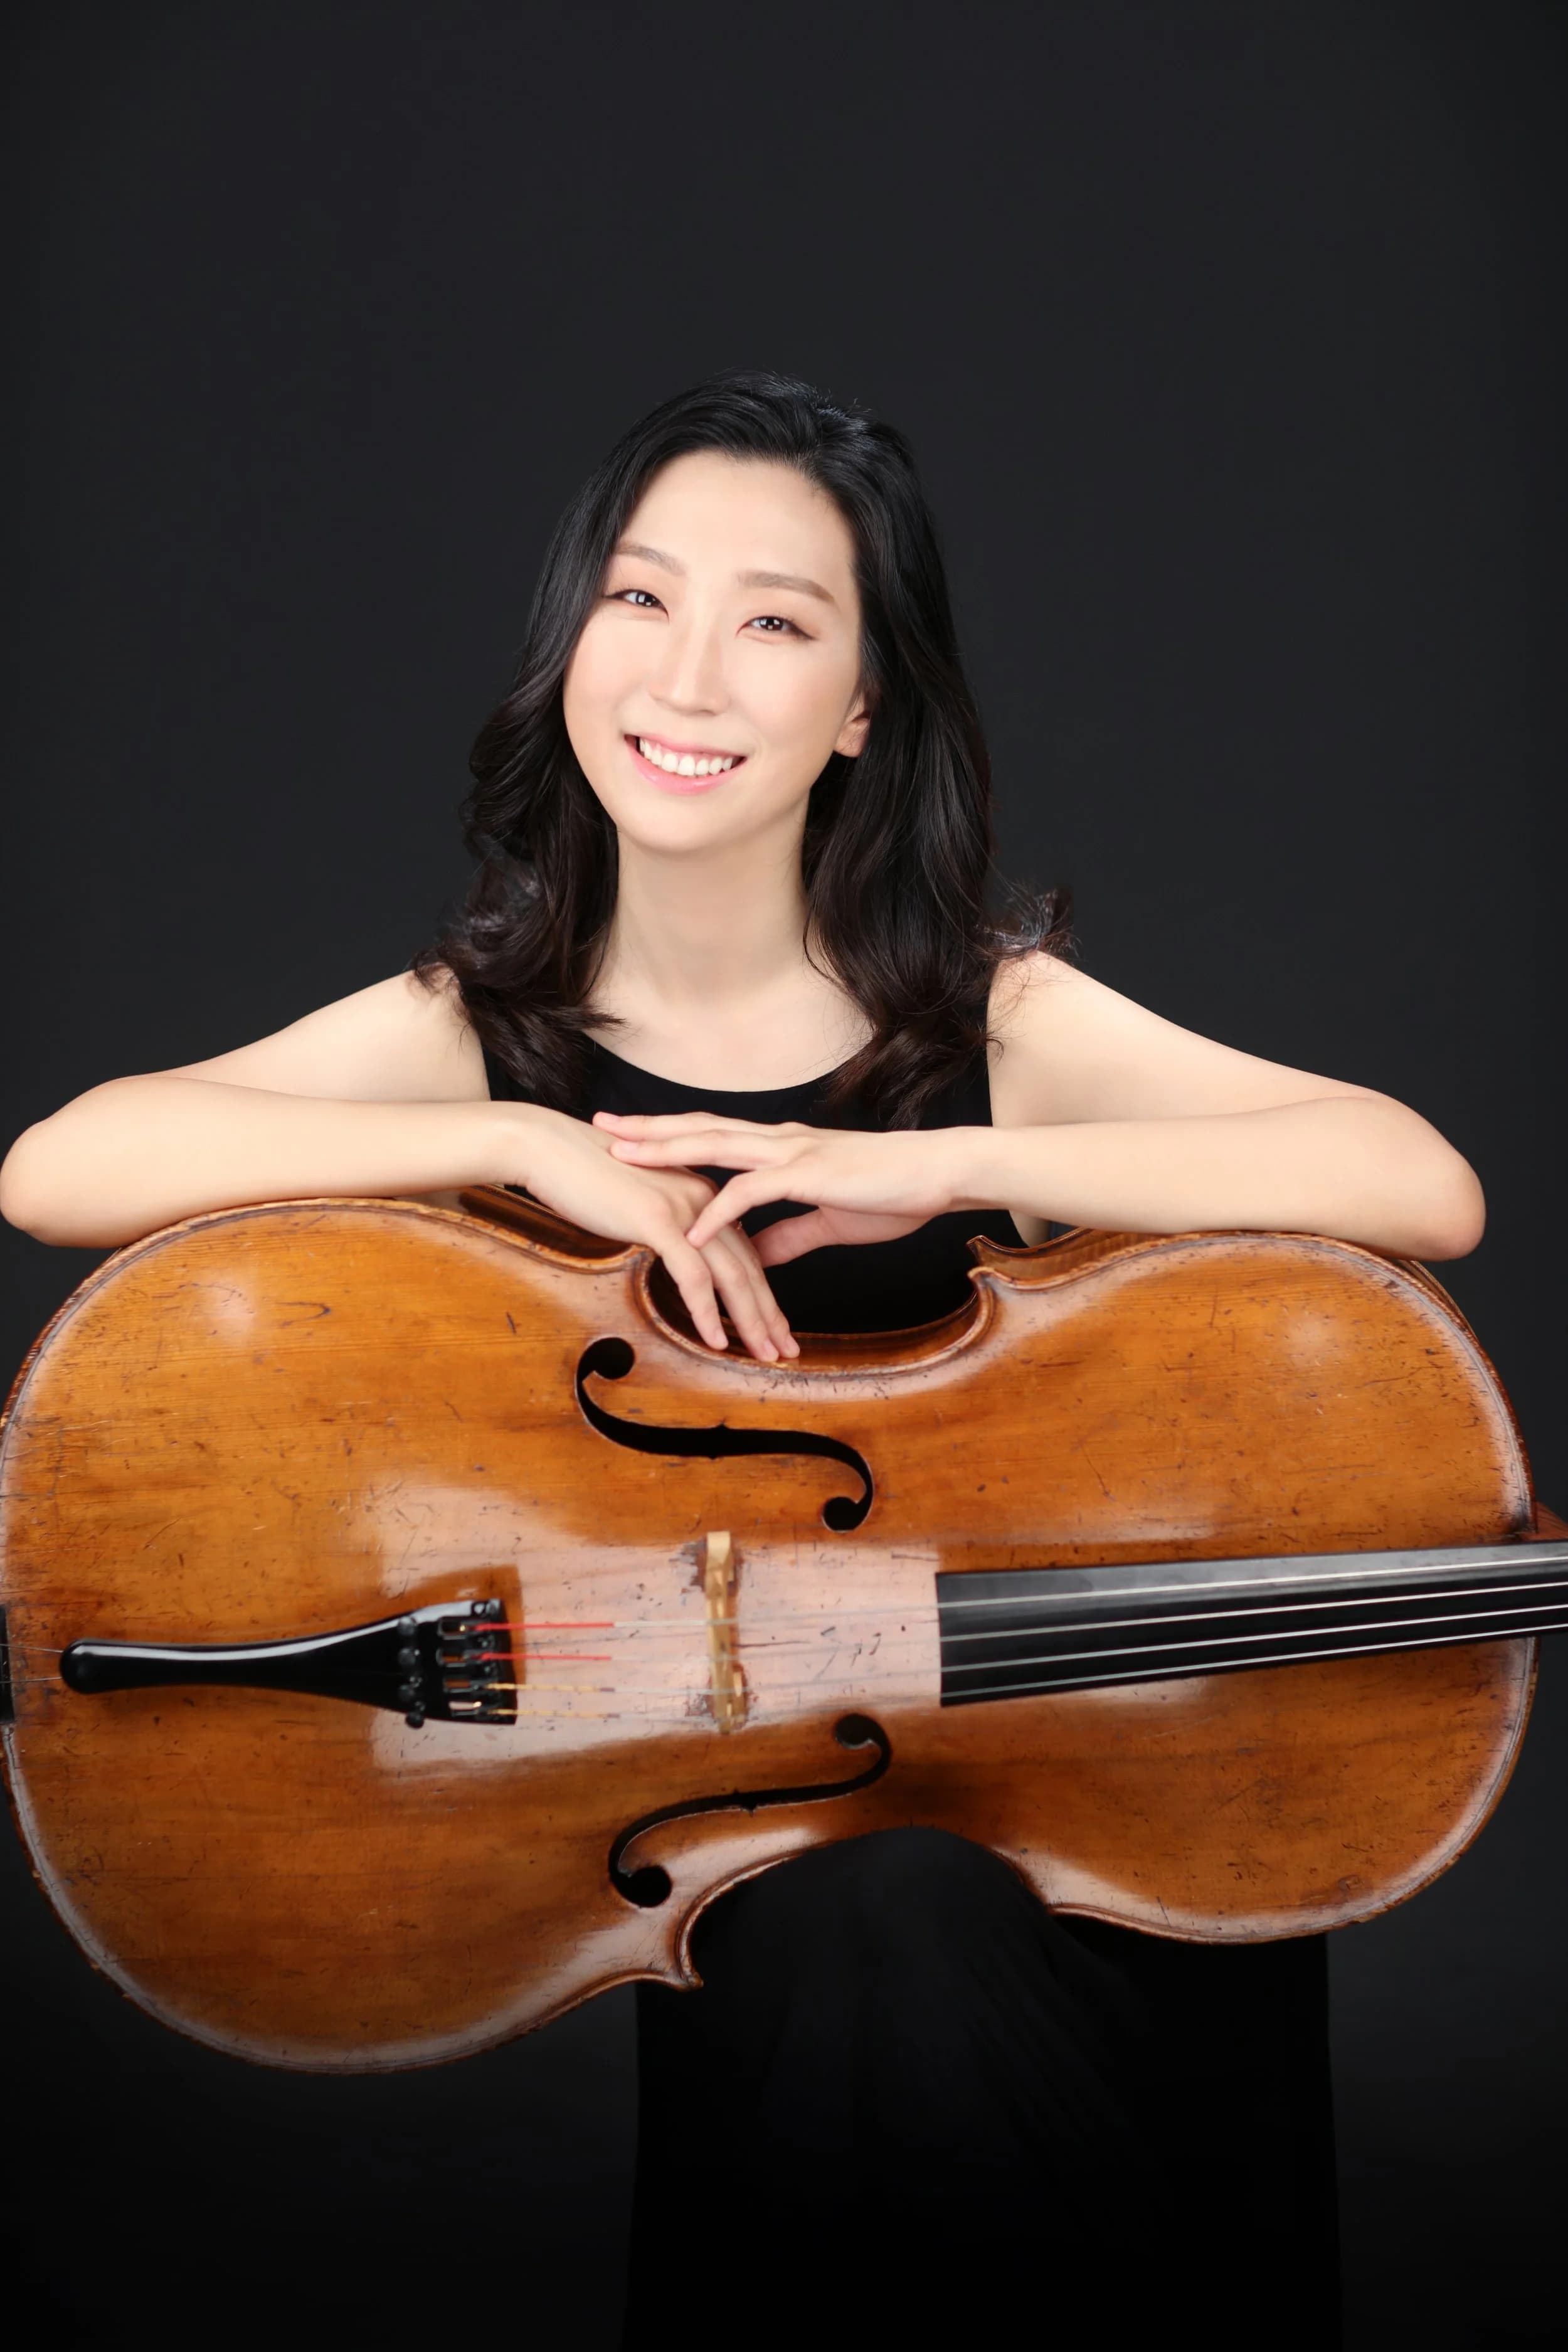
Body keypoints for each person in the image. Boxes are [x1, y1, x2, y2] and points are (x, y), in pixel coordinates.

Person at [0, 374, 1481, 2347]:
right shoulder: (484, 1027)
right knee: (845, 1928)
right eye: (642, 600)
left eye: (777, 621)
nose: (689, 676)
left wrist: (943, 1154)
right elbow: (62, 1163)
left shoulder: (981, 1010)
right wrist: (514, 1143)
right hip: (750, 1838)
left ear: (862, 707)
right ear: (575, 639)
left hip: (1051, 1792)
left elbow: (1414, 1183)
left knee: (927, 1939)